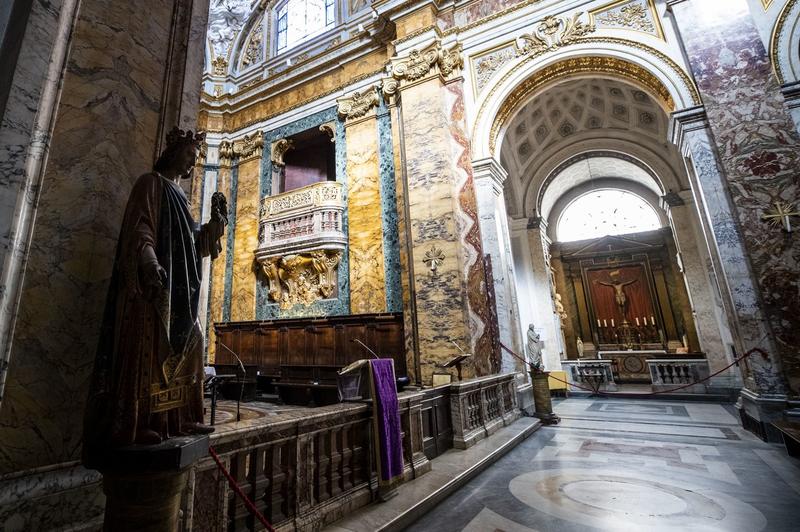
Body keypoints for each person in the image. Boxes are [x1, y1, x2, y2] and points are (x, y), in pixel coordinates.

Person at [83, 127, 227, 458]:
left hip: (182, 290)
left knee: (193, 342)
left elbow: (192, 245)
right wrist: (148, 261)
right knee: (149, 351)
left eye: (195, 158)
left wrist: (213, 227)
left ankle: (180, 418)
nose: (191, 163)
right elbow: (140, 228)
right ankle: (140, 421)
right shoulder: (151, 184)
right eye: (189, 155)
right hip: (157, 288)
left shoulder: (180, 196)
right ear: (173, 153)